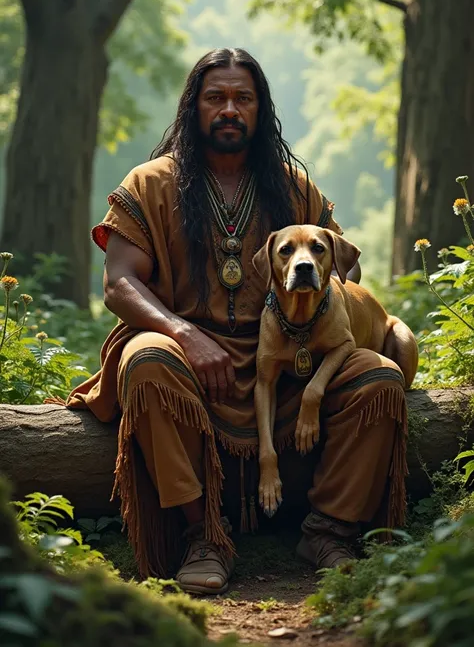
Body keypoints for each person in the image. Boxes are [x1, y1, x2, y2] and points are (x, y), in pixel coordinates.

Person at [66, 48, 408, 596]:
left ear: (260, 108)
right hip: (186, 362)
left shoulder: (295, 188)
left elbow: (338, 268)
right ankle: (203, 536)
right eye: (216, 98)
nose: (229, 109)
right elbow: (119, 283)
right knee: (146, 360)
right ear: (193, 108)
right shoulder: (151, 183)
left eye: (242, 98)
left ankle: (328, 530)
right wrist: (184, 333)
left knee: (379, 379)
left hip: (291, 362)